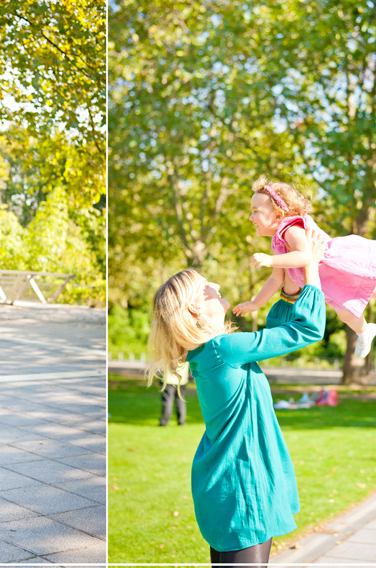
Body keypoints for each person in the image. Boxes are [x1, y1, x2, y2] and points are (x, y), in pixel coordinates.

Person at [148, 231, 327, 568]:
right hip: (242, 488)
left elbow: (272, 333)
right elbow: (307, 330)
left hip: (228, 485)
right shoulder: (223, 350)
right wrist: (312, 266)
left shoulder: (209, 352)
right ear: (197, 306)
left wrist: (290, 287)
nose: (215, 284)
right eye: (206, 285)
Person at [233, 176, 376, 358]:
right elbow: (275, 280)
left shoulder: (290, 229)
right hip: (331, 284)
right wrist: (256, 303)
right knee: (347, 313)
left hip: (345, 269)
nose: (251, 217)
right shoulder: (278, 241)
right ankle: (365, 332)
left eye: (256, 211)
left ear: (278, 214)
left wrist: (271, 260)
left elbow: (305, 256)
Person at [159, 362, 188, 426]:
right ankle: (181, 421)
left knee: (167, 401)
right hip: (182, 380)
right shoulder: (185, 353)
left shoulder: (170, 352)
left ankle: (164, 421)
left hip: (169, 380)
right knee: (180, 401)